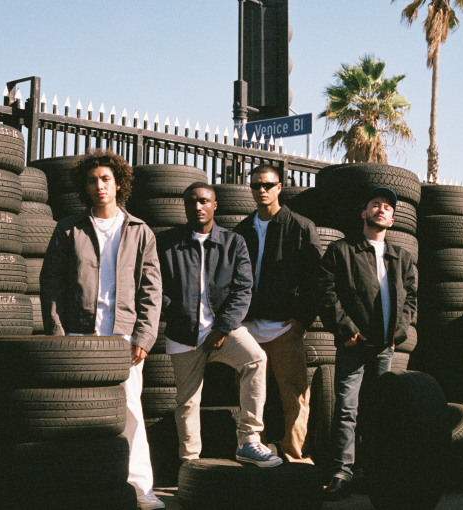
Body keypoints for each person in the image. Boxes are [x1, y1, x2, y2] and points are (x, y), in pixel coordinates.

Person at [39, 148, 166, 510]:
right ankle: (79, 488)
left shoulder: (140, 231)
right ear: (85, 186)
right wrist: (58, 334)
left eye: (106, 179)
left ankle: (140, 488)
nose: (100, 186)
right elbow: (51, 285)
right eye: (92, 180)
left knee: (131, 413)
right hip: (79, 336)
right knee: (76, 414)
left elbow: (151, 290)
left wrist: (144, 337)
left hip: (123, 339)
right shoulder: (69, 228)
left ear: (119, 183)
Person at [156, 182, 283, 468]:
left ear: (215, 205)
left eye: (203, 201)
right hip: (183, 333)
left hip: (224, 329)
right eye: (191, 201)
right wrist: (176, 313)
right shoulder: (166, 242)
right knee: (188, 401)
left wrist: (222, 328)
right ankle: (190, 464)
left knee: (255, 359)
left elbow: (243, 289)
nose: (197, 206)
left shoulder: (233, 242)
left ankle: (249, 440)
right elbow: (155, 285)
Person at [318, 187, 418, 501]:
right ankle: (341, 474)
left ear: (393, 218)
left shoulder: (402, 257)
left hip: (385, 346)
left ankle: (370, 471)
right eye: (376, 204)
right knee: (347, 410)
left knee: (378, 411)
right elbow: (326, 292)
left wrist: (397, 334)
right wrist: (345, 328)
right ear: (364, 213)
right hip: (353, 343)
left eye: (388, 207)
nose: (382, 209)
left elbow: (411, 299)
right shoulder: (342, 250)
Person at [233, 164, 324, 465]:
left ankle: (295, 457)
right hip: (247, 327)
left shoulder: (300, 226)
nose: (262, 190)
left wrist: (302, 320)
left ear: (279, 188)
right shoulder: (241, 230)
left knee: (294, 395)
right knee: (249, 394)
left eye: (268, 185)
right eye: (256, 185)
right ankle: (250, 448)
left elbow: (316, 278)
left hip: (284, 326)